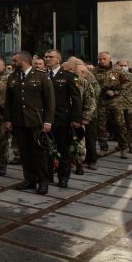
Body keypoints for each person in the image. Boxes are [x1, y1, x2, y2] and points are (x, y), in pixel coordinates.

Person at [4, 50, 55, 194]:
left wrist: (48, 121)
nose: (12, 63)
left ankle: (43, 182)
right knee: (25, 153)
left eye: (15, 60)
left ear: (24, 60)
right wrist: (8, 119)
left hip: (36, 122)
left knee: (39, 154)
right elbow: (9, 101)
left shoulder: (42, 76)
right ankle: (29, 180)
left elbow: (50, 101)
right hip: (19, 122)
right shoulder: (13, 77)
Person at [43, 49, 83, 188]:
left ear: (58, 59)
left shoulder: (68, 76)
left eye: (51, 57)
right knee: (46, 149)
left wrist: (76, 119)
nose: (47, 59)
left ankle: (63, 177)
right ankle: (47, 176)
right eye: (46, 57)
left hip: (62, 118)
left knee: (63, 149)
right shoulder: (42, 75)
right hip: (44, 118)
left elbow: (76, 99)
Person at [94, 51, 129, 158]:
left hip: (115, 101)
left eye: (104, 59)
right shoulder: (95, 71)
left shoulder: (118, 70)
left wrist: (116, 92)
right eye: (100, 59)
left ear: (110, 59)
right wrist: (103, 91)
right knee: (101, 126)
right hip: (101, 102)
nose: (101, 61)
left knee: (119, 124)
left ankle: (123, 147)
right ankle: (103, 148)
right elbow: (93, 85)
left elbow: (127, 83)